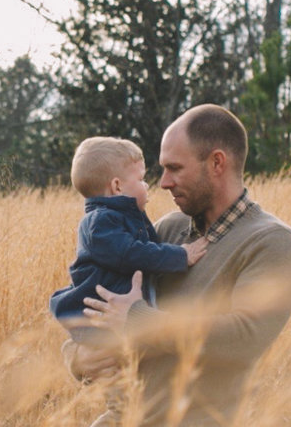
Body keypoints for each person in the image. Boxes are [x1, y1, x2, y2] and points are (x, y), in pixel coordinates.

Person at [65, 104, 291, 427]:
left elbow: (244, 337)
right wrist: (79, 356)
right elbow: (96, 292)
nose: (162, 182)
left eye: (174, 168)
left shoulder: (273, 243)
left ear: (216, 163)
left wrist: (137, 319)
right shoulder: (167, 232)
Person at [49, 135, 208, 342]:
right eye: (141, 179)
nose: (148, 185)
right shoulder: (100, 221)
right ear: (117, 187)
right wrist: (180, 255)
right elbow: (131, 253)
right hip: (104, 322)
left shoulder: (123, 217)